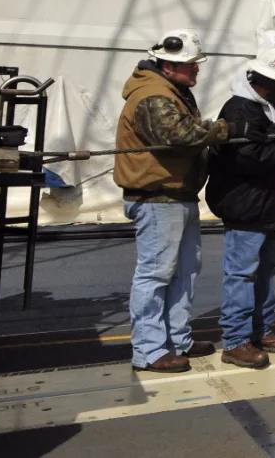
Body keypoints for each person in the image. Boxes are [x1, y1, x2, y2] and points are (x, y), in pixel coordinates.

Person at [115, 30, 234, 373]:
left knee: (184, 271)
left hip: (176, 195)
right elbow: (177, 135)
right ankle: (149, 351)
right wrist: (226, 130)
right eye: (190, 65)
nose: (196, 71)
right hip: (157, 197)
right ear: (168, 65)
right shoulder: (153, 95)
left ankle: (176, 340)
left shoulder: (172, 91)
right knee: (156, 274)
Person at [207, 45, 275, 369]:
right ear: (265, 79)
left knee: (266, 270)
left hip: (269, 204)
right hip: (246, 206)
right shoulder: (238, 111)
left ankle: (261, 332)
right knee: (241, 274)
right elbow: (254, 160)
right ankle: (235, 341)